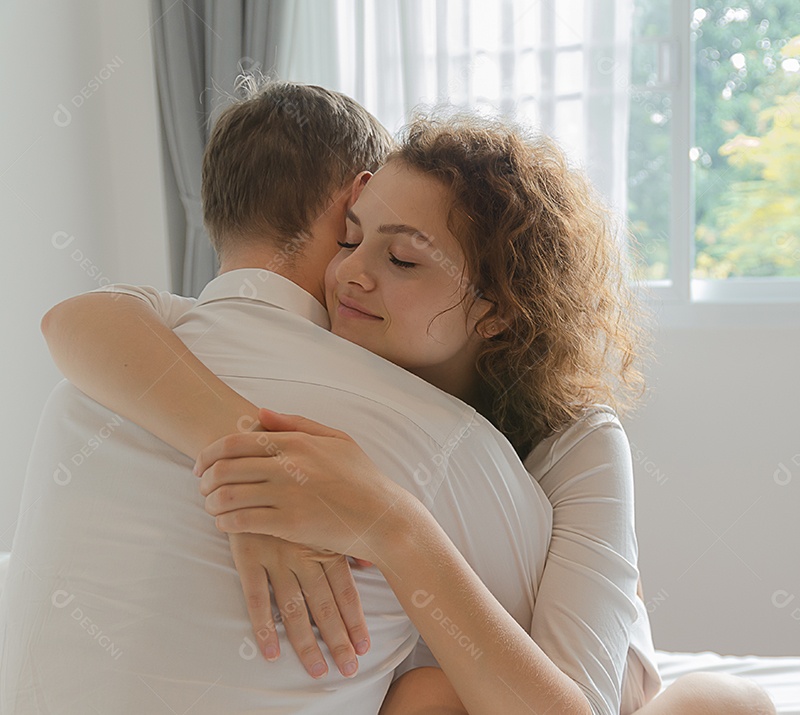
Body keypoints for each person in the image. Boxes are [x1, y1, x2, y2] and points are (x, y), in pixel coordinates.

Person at [41, 99, 776, 713]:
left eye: (401, 259)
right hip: (426, 672)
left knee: (724, 704)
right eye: (351, 237)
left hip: (575, 682)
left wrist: (388, 521)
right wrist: (246, 463)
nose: (350, 274)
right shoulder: (336, 349)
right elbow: (81, 320)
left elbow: (573, 693)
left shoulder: (576, 441)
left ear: (496, 310)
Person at [0, 81, 564, 715]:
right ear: (360, 196)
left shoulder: (87, 387)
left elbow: (71, 318)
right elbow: (573, 679)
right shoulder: (442, 441)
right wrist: (254, 463)